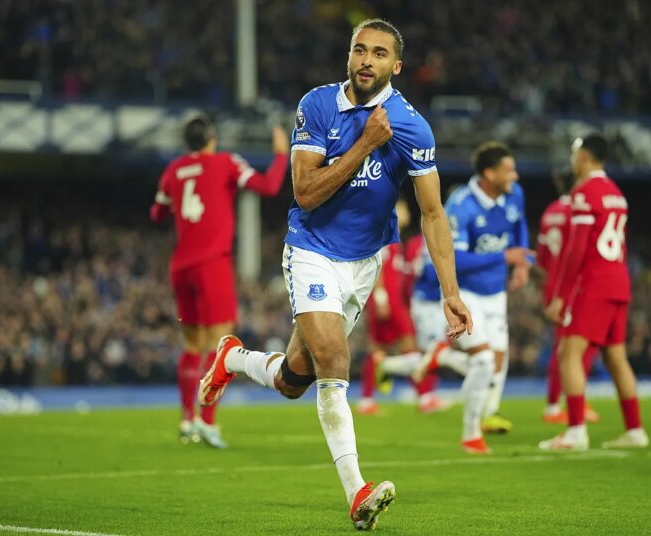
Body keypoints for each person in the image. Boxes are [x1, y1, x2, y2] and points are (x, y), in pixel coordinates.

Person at [198, 19, 472, 531]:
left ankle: (232, 358)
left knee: (292, 379)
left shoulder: (413, 126)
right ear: (349, 56)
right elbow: (304, 192)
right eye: (359, 50)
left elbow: (433, 214)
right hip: (312, 248)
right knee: (334, 358)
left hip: (365, 262)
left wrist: (450, 292)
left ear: (396, 66)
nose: (367, 60)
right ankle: (358, 492)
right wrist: (367, 143)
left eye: (379, 53)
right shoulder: (318, 105)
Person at [150, 115, 289, 448]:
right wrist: (281, 154)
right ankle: (208, 422)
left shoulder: (173, 170)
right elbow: (268, 185)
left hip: (181, 266)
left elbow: (157, 214)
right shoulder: (225, 162)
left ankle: (187, 420)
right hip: (211, 264)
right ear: (211, 137)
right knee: (220, 345)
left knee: (191, 346)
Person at [416, 142, 534, 453]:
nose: (515, 175)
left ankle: (481, 411)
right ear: (489, 173)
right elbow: (456, 259)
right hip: (465, 292)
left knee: (497, 363)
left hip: (497, 294)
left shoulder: (514, 195)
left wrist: (522, 262)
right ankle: (471, 434)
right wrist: (504, 257)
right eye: (508, 169)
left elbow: (520, 224)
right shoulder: (461, 206)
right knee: (482, 361)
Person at [541, 133, 649, 450]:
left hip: (595, 282)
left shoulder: (584, 192)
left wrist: (560, 295)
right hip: (619, 281)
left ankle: (575, 431)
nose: (572, 160)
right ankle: (635, 430)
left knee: (568, 353)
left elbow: (575, 250)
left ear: (584, 157)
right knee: (617, 357)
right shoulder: (617, 193)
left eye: (575, 154)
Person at [357, 198, 448, 416]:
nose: (407, 212)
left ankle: (367, 400)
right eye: (403, 207)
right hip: (388, 301)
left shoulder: (392, 237)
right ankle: (425, 397)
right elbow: (375, 265)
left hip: (387, 300)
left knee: (378, 350)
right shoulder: (384, 233)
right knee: (410, 348)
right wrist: (380, 297)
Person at [536, 170, 599, 424]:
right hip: (572, 284)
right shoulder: (578, 209)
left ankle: (563, 401)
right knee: (575, 346)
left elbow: (541, 258)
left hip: (552, 283)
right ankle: (559, 405)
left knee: (564, 345)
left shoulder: (550, 211)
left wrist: (548, 288)